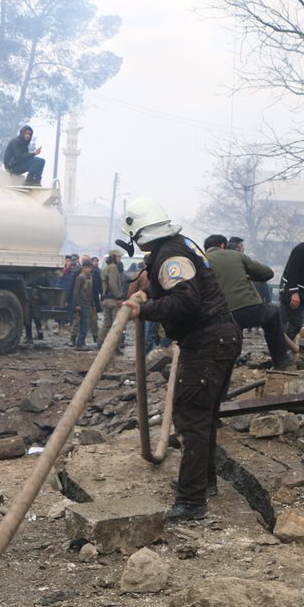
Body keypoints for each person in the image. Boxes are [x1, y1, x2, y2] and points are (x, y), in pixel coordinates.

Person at [120, 197, 241, 522]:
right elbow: (184, 290)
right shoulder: (179, 245)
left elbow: (187, 300)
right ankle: (203, 484)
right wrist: (150, 295)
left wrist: (144, 309)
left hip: (206, 340)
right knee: (204, 417)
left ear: (139, 233)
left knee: (191, 419)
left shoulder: (170, 254)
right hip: (220, 335)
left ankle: (191, 502)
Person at [205, 234, 292, 370]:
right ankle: (280, 359)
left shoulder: (200, 261)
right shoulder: (235, 255)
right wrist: (248, 275)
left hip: (220, 317)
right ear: (223, 245)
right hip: (247, 310)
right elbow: (267, 273)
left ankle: (226, 362)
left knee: (231, 332)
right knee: (273, 313)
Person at [97, 249, 129, 351]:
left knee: (107, 323)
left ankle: (100, 343)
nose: (120, 259)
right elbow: (113, 284)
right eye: (118, 257)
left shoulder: (106, 267)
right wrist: (119, 297)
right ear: (113, 257)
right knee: (117, 324)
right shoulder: (113, 267)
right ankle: (115, 347)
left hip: (106, 299)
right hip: (113, 300)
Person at [71, 260, 96, 350]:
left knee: (86, 323)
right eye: (86, 267)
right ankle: (80, 344)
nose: (88, 269)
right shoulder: (80, 277)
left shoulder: (89, 277)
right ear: (83, 268)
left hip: (87, 303)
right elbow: (76, 291)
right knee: (84, 323)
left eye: (89, 267)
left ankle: (82, 342)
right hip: (82, 304)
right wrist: (77, 304)